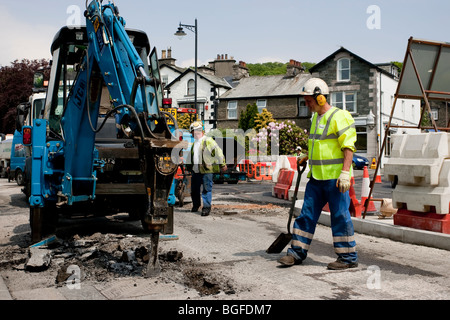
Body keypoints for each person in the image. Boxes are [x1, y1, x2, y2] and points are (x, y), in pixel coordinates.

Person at [278, 78, 358, 270]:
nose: (306, 104)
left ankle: (348, 258)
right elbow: (320, 144)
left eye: (308, 100)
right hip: (316, 178)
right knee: (306, 215)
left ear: (320, 98)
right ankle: (296, 253)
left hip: (336, 179)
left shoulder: (340, 116)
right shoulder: (315, 118)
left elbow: (348, 147)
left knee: (340, 216)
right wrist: (307, 155)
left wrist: (345, 173)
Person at [186, 121, 227, 216]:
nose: (192, 134)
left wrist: (222, 164)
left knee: (206, 189)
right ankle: (196, 205)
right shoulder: (195, 144)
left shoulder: (208, 141)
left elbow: (218, 152)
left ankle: (206, 208)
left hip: (206, 170)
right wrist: (188, 167)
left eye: (192, 132)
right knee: (194, 190)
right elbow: (191, 157)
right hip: (196, 171)